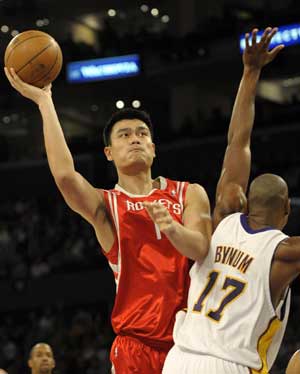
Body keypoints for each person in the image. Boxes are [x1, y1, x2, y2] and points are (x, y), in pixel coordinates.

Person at [4, 65, 212, 373]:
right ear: (109, 152)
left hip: (192, 343)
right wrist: (44, 101)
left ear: (153, 149)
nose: (135, 139)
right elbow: (64, 176)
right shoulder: (107, 206)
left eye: (143, 134)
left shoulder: (189, 194)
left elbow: (201, 248)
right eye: (124, 135)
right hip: (136, 348)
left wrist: (171, 227)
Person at [150, 27, 291, 374]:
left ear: (247, 202)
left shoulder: (226, 211)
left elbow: (237, 143)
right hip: (228, 366)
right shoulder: (286, 252)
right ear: (286, 210)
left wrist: (250, 72)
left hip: (180, 358)